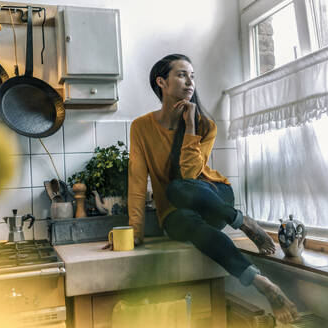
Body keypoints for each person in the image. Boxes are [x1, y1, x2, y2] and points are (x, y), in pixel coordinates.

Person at [119, 54, 299, 323]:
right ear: (161, 82)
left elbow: (190, 175)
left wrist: (190, 125)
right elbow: (136, 182)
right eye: (181, 74)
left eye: (192, 75)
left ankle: (241, 221)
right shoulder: (141, 127)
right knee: (180, 207)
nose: (190, 81)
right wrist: (136, 232)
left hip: (213, 195)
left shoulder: (205, 125)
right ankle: (262, 282)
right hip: (178, 213)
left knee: (179, 188)